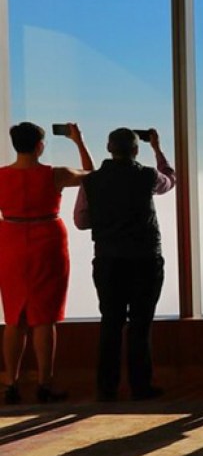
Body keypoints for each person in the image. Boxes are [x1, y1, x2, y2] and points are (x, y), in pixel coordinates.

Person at [74, 127, 176, 401]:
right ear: (136, 150)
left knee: (111, 323)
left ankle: (106, 388)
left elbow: (82, 221)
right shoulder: (146, 175)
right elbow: (170, 181)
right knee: (140, 325)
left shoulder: (92, 181)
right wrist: (157, 148)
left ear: (109, 148)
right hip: (145, 259)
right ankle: (140, 387)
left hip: (108, 259)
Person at [0, 122, 93, 404]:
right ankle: (44, 383)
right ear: (40, 145)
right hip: (47, 241)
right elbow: (91, 175)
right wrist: (78, 141)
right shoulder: (56, 175)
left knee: (14, 316)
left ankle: (11, 384)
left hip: (11, 240)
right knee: (45, 316)